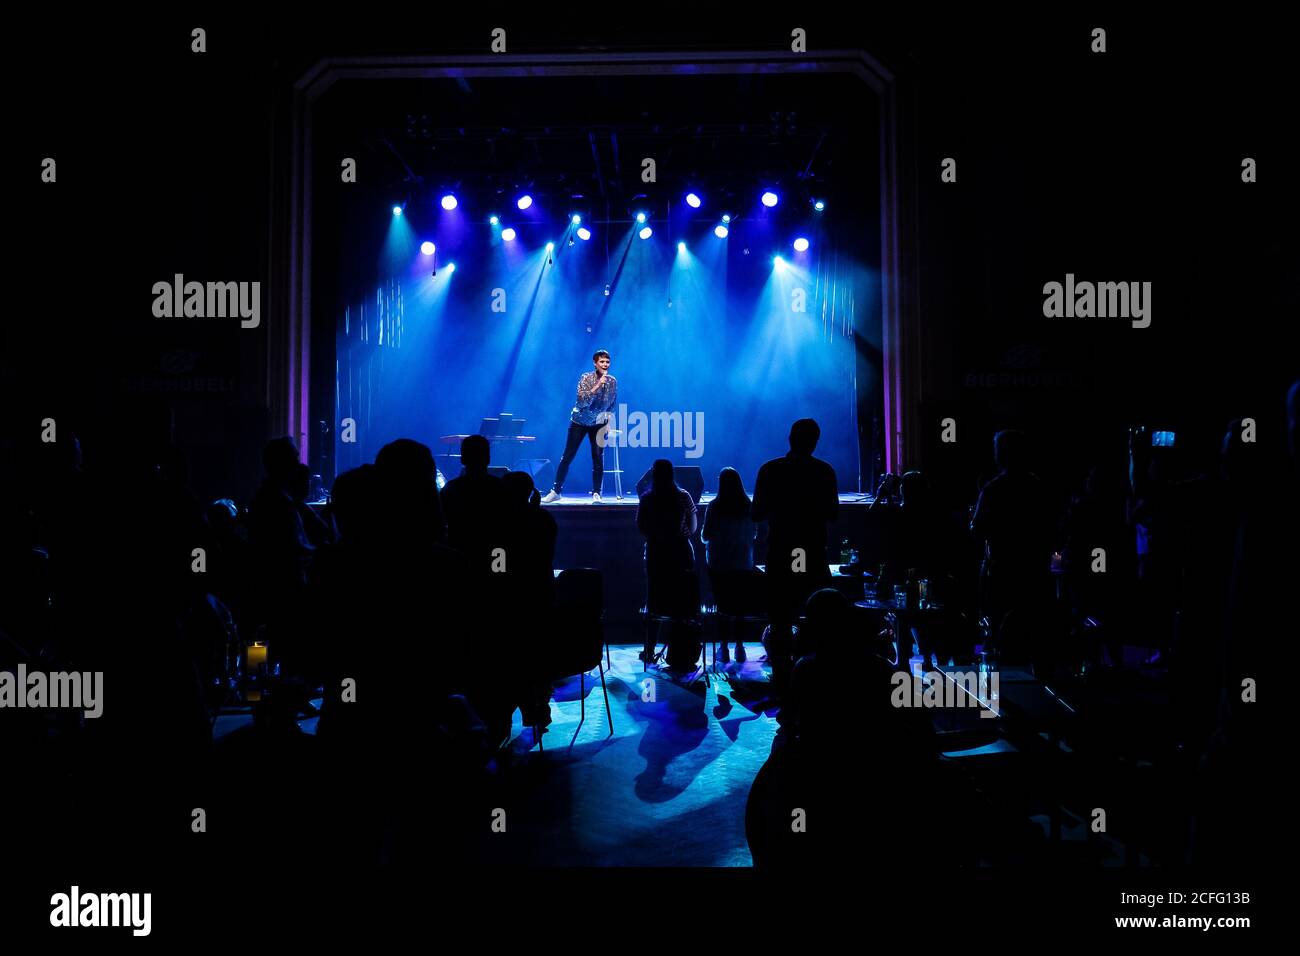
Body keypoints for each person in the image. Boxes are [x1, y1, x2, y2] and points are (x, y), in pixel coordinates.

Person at [751, 419, 839, 690]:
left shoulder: (771, 470)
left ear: (790, 438)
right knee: (821, 615)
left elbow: (757, 513)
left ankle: (782, 680)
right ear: (815, 441)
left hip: (782, 551)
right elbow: (833, 514)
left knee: (780, 618)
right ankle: (817, 678)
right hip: (812, 551)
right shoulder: (824, 471)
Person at [635, 459, 698, 663]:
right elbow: (693, 527)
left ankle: (649, 649)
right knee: (682, 600)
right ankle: (679, 651)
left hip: (656, 552)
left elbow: (641, 528)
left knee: (654, 599)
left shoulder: (647, 499)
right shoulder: (683, 496)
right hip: (681, 551)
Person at [541, 350, 618, 503]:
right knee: (568, 456)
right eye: (602, 362)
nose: (605, 365)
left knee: (598, 457)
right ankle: (556, 490)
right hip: (580, 421)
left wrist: (608, 422)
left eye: (607, 362)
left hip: (599, 422)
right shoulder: (586, 378)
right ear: (595, 363)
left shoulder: (613, 381)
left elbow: (612, 404)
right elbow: (582, 401)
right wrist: (597, 385)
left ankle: (597, 493)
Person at [701, 466, 756, 662]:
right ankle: (740, 647)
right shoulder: (748, 505)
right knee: (739, 605)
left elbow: (705, 536)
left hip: (719, 564)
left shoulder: (714, 506)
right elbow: (755, 533)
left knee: (722, 605)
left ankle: (723, 648)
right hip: (743, 563)